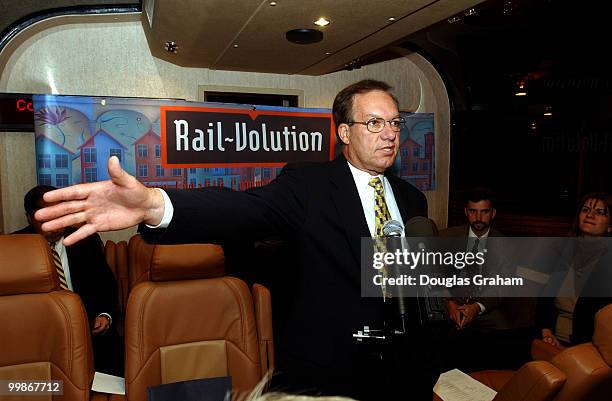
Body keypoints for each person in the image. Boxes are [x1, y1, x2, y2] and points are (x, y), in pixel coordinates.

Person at [35, 80, 429, 400]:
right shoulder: (310, 186)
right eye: (375, 123)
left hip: (404, 373)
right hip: (329, 375)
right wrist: (156, 204)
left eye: (395, 123)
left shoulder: (412, 199)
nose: (390, 134)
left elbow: (415, 286)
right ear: (345, 132)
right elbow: (243, 208)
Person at [13, 185, 122, 375]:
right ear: (30, 217)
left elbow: (106, 285)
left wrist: (105, 315)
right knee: (31, 385)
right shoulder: (14, 246)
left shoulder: (85, 241)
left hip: (87, 331)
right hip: (36, 335)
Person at [437, 188, 536, 371]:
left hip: (485, 306)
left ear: (493, 213)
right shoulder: (445, 237)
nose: (478, 218)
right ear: (466, 212)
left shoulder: (506, 245)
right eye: (473, 211)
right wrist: (449, 302)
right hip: (450, 303)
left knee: (506, 339)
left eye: (484, 212)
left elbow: (501, 286)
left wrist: (476, 308)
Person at [538, 192, 612, 348]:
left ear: (610, 226)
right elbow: (545, 301)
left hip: (587, 347)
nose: (590, 215)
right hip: (549, 340)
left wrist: (569, 349)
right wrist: (546, 332)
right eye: (585, 210)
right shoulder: (561, 252)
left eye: (599, 212)